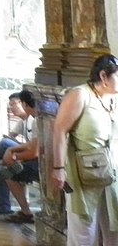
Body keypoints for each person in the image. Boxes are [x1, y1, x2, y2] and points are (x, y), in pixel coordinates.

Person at [51, 53, 118, 245]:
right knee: (84, 231)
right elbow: (60, 130)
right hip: (84, 174)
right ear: (104, 76)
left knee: (114, 228)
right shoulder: (80, 95)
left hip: (113, 174)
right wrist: (58, 168)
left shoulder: (114, 98)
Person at [0, 91, 40, 224]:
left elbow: (34, 152)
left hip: (44, 165)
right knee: (4, 168)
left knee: (8, 174)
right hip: (42, 161)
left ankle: (26, 212)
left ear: (23, 104)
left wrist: (15, 157)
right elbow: (32, 144)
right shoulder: (36, 119)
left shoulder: (37, 120)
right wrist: (13, 150)